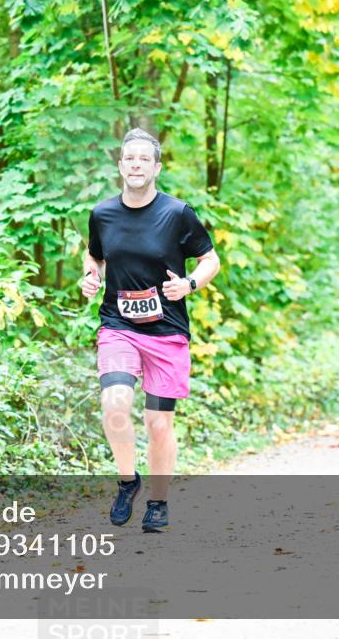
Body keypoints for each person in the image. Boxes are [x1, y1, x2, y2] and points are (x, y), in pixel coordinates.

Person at [82, 128, 220, 532]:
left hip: (166, 332)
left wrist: (189, 284)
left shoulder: (177, 213)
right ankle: (128, 480)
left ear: (156, 167)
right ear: (120, 166)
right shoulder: (102, 214)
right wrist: (90, 277)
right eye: (130, 158)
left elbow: (210, 259)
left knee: (158, 424)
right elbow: (95, 255)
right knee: (115, 406)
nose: (136, 164)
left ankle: (158, 502)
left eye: (145, 158)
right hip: (118, 326)